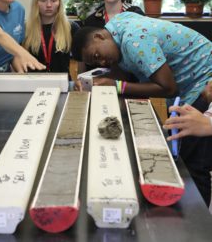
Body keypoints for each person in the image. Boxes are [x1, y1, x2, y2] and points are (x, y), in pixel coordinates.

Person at [71, 11, 212, 206]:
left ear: (99, 36)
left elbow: (168, 87)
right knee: (184, 153)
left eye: (98, 55)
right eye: (95, 62)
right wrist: (93, 82)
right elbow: (120, 70)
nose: (102, 62)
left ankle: (199, 224)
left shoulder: (133, 40)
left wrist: (116, 85)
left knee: (193, 163)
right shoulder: (116, 26)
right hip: (191, 82)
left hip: (204, 80)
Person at [80, 0, 144, 74]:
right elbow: (85, 56)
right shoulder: (91, 21)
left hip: (131, 78)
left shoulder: (135, 14)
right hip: (99, 77)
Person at [23, 0, 79, 75]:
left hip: (62, 84)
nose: (48, 5)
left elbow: (81, 59)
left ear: (59, 3)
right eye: (43, 0)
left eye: (53, 0)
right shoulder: (26, 28)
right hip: (33, 84)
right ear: (36, 3)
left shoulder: (71, 28)